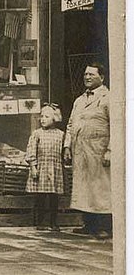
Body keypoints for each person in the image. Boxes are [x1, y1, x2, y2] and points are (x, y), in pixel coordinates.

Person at [63, 63, 111, 239]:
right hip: (80, 151)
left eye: (91, 74)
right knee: (84, 188)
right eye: (85, 74)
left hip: (99, 150)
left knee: (100, 188)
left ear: (102, 77)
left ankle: (104, 226)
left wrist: (110, 151)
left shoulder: (108, 98)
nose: (87, 77)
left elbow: (117, 125)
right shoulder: (79, 100)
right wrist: (67, 146)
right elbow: (70, 125)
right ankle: (88, 224)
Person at [25, 104, 65, 232]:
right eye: (41, 116)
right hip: (42, 168)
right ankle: (41, 221)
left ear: (54, 119)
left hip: (55, 169)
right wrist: (33, 167)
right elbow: (31, 151)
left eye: (46, 117)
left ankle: (54, 222)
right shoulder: (37, 134)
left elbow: (64, 152)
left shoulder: (61, 135)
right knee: (41, 197)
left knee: (54, 197)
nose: (43, 119)